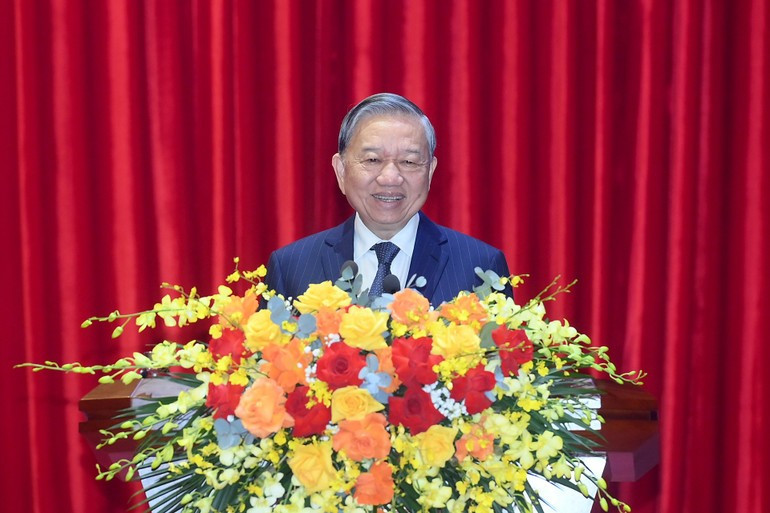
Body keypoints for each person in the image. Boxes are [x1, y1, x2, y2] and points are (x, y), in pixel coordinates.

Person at [266, 93, 509, 306]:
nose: (390, 177)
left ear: (430, 172)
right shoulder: (291, 267)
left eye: (409, 162)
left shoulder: (480, 266)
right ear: (341, 170)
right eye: (372, 160)